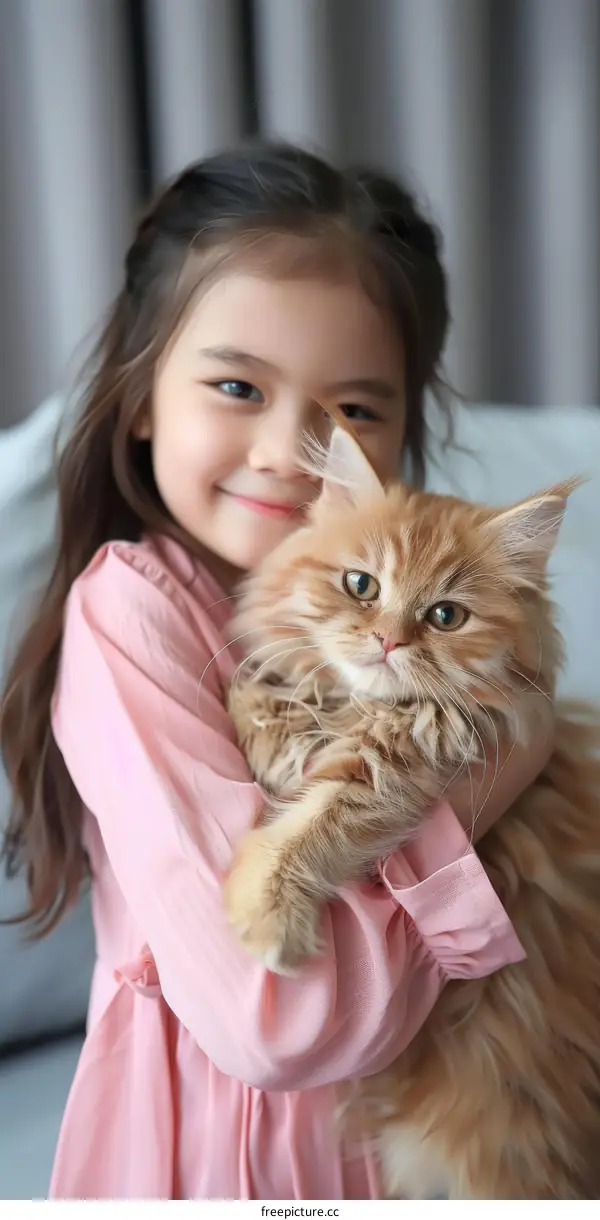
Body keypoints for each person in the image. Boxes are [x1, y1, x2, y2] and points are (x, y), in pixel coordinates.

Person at [0, 143, 551, 1200]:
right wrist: (486, 776)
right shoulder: (132, 612)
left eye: (353, 409)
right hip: (224, 1164)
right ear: (144, 393)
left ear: (399, 435)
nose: (295, 451)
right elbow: (280, 1016)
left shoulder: (393, 620)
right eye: (239, 384)